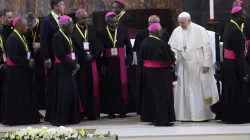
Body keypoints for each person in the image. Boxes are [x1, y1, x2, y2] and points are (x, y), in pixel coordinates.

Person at [168, 12, 219, 122]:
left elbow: (207, 49)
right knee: (186, 90)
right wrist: (173, 59)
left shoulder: (199, 30)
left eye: (183, 23)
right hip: (185, 65)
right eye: (179, 22)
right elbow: (174, 48)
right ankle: (186, 115)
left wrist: (206, 64)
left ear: (189, 21)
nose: (181, 25)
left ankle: (202, 115)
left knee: (199, 90)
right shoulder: (176, 31)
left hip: (198, 64)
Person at [211, 6, 250, 124]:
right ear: (237, 16)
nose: (246, 16)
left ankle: (226, 113)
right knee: (238, 90)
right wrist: (245, 72)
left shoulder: (229, 26)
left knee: (230, 90)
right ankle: (236, 116)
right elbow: (239, 57)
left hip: (228, 64)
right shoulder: (236, 31)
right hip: (234, 66)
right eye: (243, 14)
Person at [3, 17, 40, 126]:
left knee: (24, 95)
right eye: (26, 25)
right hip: (15, 72)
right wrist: (27, 62)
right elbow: (13, 57)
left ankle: (26, 117)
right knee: (17, 97)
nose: (27, 27)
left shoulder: (21, 35)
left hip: (22, 71)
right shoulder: (12, 38)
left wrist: (30, 60)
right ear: (19, 26)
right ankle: (17, 119)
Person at [133, 15, 170, 114]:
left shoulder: (163, 34)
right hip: (146, 67)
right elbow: (137, 50)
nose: (155, 25)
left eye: (157, 23)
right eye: (152, 23)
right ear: (148, 23)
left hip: (153, 68)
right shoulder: (142, 34)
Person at [140, 23, 176, 126]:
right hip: (160, 73)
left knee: (151, 95)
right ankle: (162, 120)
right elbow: (169, 58)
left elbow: (141, 57)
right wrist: (172, 64)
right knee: (162, 96)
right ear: (156, 31)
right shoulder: (160, 43)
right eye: (160, 30)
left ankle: (152, 117)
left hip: (148, 72)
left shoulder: (144, 42)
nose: (161, 32)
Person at [98, 12, 133, 118]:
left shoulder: (123, 30)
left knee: (121, 87)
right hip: (108, 63)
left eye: (116, 22)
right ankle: (111, 111)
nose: (114, 24)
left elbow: (129, 48)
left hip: (122, 62)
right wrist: (101, 64)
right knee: (110, 87)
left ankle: (123, 111)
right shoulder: (101, 32)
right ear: (107, 22)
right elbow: (100, 50)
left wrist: (129, 62)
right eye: (111, 22)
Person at [71, 9, 102, 120]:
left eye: (86, 17)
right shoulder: (73, 31)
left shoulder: (93, 30)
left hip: (92, 63)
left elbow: (99, 45)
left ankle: (92, 112)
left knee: (92, 87)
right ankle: (82, 112)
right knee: (82, 87)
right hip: (81, 64)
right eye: (83, 18)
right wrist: (84, 56)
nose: (85, 19)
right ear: (77, 18)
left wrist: (93, 55)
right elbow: (73, 48)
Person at [50, 15, 81, 125]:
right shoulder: (57, 36)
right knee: (64, 94)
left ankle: (72, 117)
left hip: (70, 67)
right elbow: (62, 56)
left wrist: (76, 63)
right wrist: (74, 66)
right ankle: (62, 118)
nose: (72, 26)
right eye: (70, 24)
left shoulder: (69, 35)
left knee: (72, 93)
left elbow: (73, 52)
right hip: (62, 68)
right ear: (64, 25)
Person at [40, 0, 65, 122]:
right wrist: (46, 57)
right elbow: (44, 40)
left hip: (62, 57)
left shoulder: (63, 18)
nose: (63, 6)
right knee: (51, 85)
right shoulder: (47, 21)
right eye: (61, 4)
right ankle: (51, 113)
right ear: (55, 6)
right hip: (52, 57)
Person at [24, 12, 45, 110]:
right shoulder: (28, 31)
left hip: (44, 59)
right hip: (35, 60)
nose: (27, 28)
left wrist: (41, 45)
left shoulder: (43, 25)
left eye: (29, 25)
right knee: (37, 83)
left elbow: (51, 40)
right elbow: (28, 45)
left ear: (34, 21)